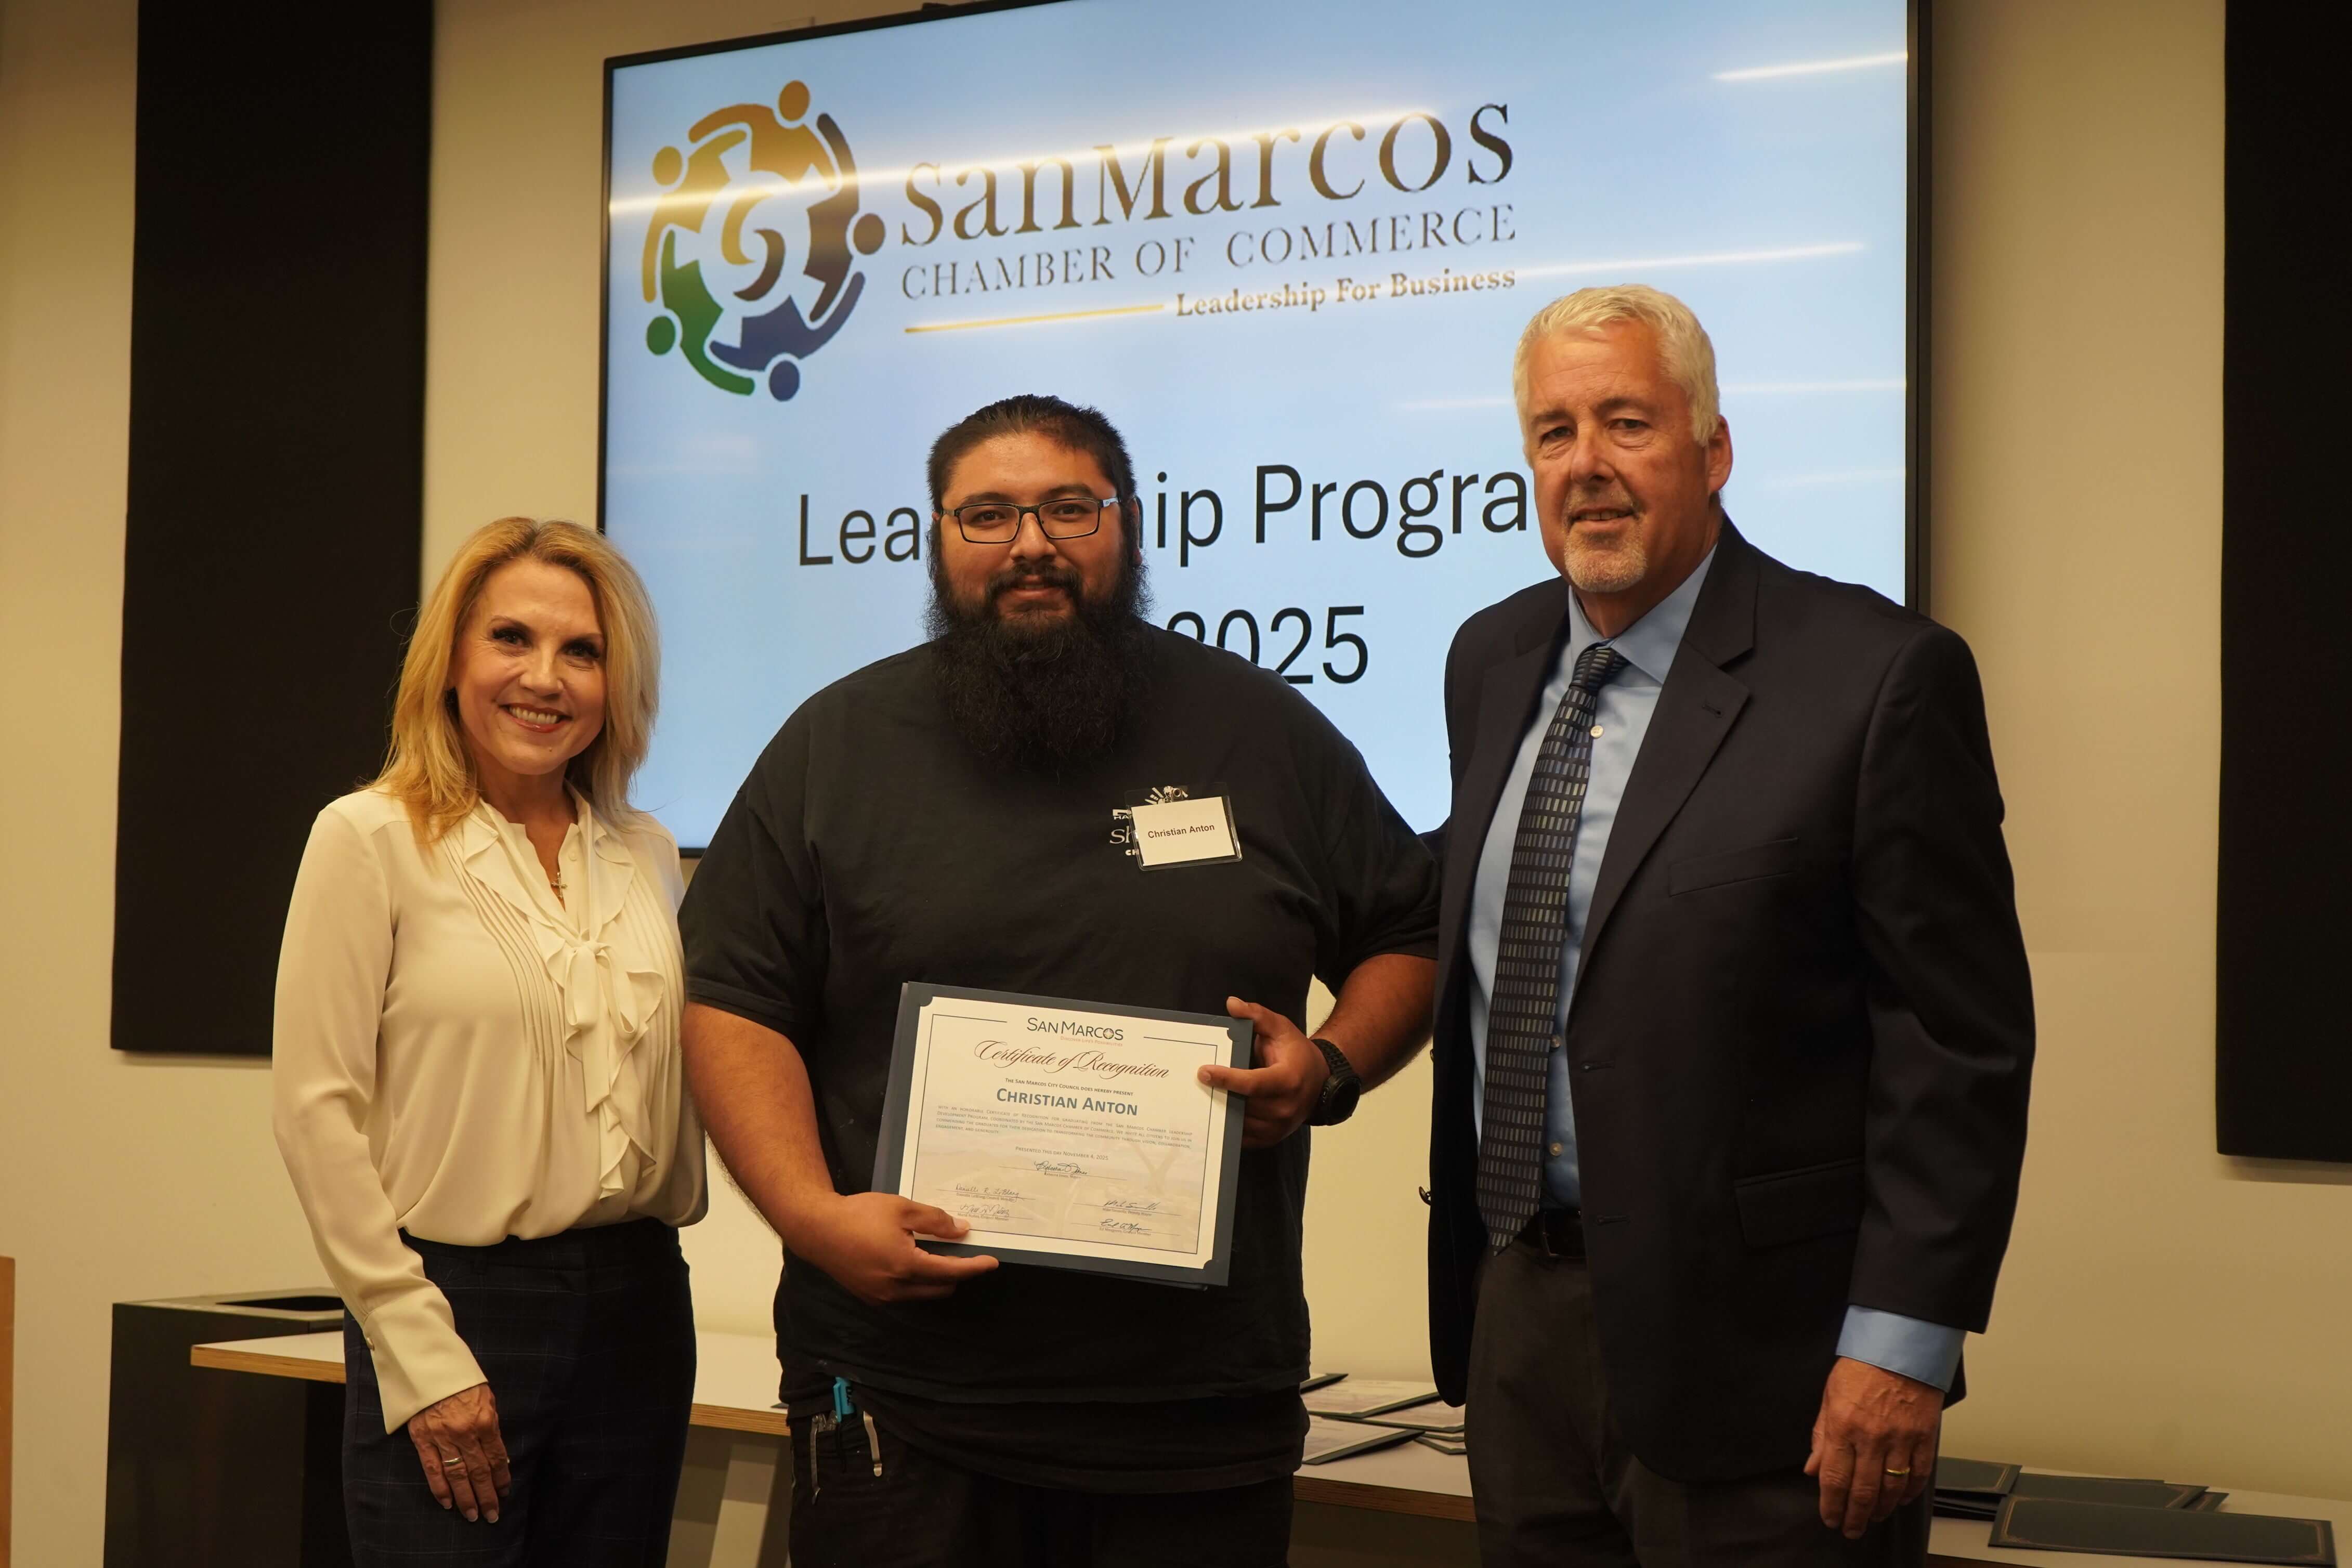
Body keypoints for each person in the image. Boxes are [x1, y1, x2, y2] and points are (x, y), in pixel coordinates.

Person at [678, 394, 1440, 1568]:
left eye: (1068, 508)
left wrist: (1331, 1066)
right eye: (987, 514)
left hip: (1195, 1413)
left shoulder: (1262, 731)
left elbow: (1412, 929)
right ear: (937, 538)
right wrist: (811, 1217)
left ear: (1126, 525)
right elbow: (732, 995)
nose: (1029, 543)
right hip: (903, 1398)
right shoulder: (836, 745)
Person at [1423, 286, 2035, 1566]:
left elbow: (1954, 1042)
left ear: (1713, 449)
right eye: (1552, 432)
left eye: (1626, 422)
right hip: (1521, 1321)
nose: (1586, 464)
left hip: (1776, 1364)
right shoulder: (1490, 658)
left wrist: (1901, 1346)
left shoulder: (1876, 674)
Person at [273, 517, 705, 1566]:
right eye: (512, 638)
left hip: (642, 1305)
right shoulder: (367, 837)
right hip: (456, 1307)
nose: (544, 678)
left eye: (582, 651)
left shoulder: (648, 852)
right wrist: (417, 1348)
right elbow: (315, 1111)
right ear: (452, 661)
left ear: (617, 682)